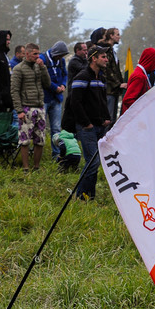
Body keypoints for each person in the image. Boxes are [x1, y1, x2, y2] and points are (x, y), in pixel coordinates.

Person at [67, 46, 111, 200]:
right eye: (103, 56)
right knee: (92, 161)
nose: (106, 59)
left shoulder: (102, 77)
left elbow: (103, 100)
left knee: (94, 163)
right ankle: (81, 196)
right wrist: (86, 123)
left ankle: (89, 196)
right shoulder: (82, 76)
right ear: (94, 58)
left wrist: (106, 118)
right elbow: (75, 102)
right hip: (87, 127)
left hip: (100, 126)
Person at [11, 43, 51, 171]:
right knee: (25, 140)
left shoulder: (39, 67)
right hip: (26, 108)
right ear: (27, 54)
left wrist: (43, 67)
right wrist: (19, 110)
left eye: (38, 53)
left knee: (40, 139)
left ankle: (36, 167)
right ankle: (25, 168)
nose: (37, 56)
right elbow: (14, 91)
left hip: (39, 107)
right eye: (35, 54)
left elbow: (48, 83)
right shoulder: (18, 68)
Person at [40, 40, 69, 158]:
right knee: (40, 127)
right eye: (60, 55)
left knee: (56, 128)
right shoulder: (43, 59)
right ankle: (39, 151)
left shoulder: (61, 61)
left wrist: (63, 85)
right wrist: (54, 87)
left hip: (57, 99)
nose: (61, 57)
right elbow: (42, 78)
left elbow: (64, 74)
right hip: (44, 98)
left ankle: (56, 154)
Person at [121, 47, 155, 115]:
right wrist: (142, 110)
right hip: (133, 118)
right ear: (150, 61)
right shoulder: (139, 76)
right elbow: (128, 99)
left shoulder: (140, 73)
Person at [98, 28, 126, 121]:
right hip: (108, 90)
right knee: (108, 119)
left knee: (112, 119)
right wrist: (118, 84)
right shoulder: (105, 50)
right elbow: (107, 70)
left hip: (114, 90)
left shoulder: (112, 51)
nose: (119, 37)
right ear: (111, 36)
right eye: (117, 34)